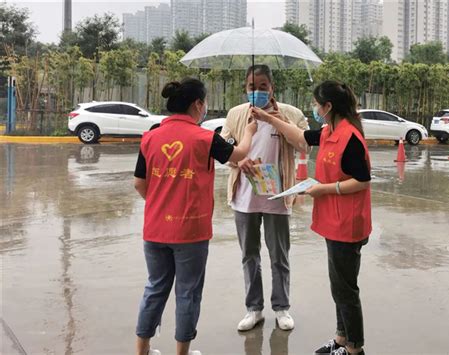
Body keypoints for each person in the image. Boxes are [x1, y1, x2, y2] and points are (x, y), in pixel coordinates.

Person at [133, 78, 257, 355]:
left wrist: (159, 206)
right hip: (191, 232)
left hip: (154, 230)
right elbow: (240, 153)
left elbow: (140, 184)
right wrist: (249, 129)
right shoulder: (205, 138)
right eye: (205, 103)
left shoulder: (151, 136)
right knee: (188, 292)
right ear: (197, 104)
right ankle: (182, 352)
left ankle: (141, 350)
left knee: (154, 288)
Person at [250, 80, 371, 355]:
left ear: (328, 107)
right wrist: (268, 118)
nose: (314, 109)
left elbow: (362, 181)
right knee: (338, 286)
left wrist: (323, 189)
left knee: (346, 291)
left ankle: (355, 349)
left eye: (317, 105)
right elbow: (301, 137)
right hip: (334, 221)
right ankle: (341, 339)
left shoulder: (350, 137)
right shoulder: (331, 131)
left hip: (348, 224)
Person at [220, 64, 309, 331]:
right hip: (244, 198)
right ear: (245, 88)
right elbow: (222, 150)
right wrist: (239, 161)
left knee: (279, 255)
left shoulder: (290, 114)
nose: (256, 92)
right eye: (251, 87)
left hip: (277, 198)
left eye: (262, 87)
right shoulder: (236, 114)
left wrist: (272, 119)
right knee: (250, 255)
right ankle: (254, 309)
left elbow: (304, 144)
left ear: (272, 88)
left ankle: (281, 307)